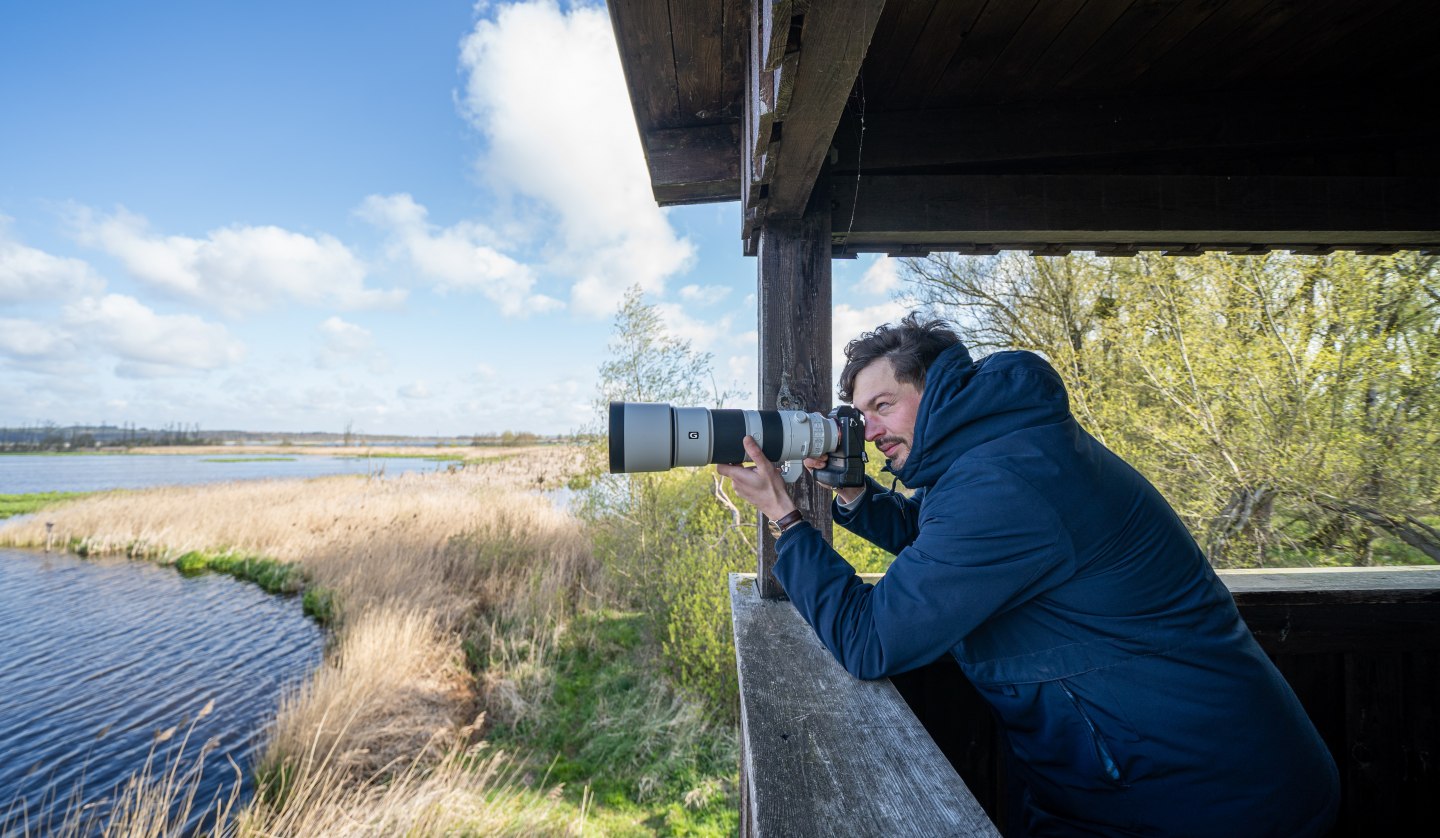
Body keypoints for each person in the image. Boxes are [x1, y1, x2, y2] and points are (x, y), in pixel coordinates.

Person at [717, 314, 1339, 837]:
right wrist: (854, 492)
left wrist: (785, 518)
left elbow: (868, 640)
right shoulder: (994, 450)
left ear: (937, 389)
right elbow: (944, 549)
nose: (870, 431)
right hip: (1133, 772)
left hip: (1210, 794)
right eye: (860, 414)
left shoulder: (1001, 480)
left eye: (883, 406)